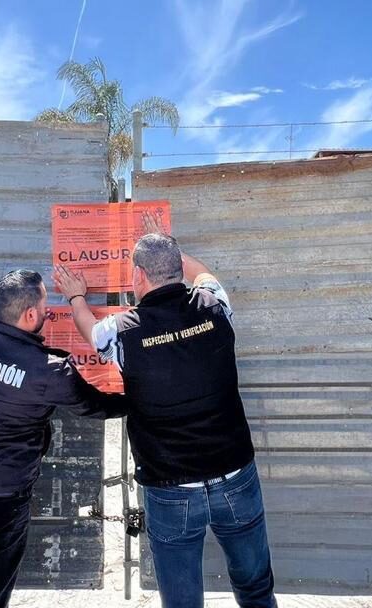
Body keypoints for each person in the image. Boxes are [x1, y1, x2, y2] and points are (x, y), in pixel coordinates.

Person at [53, 214, 276, 608]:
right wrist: (167, 243)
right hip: (236, 479)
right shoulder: (215, 306)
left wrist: (75, 296)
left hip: (172, 492)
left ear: (137, 277)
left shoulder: (122, 331)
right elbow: (203, 272)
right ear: (178, 269)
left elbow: (89, 327)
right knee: (256, 589)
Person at [0, 269, 127, 608]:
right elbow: (97, 406)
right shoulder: (50, 371)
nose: (47, 313)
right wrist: (144, 399)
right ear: (31, 315)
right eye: (44, 307)